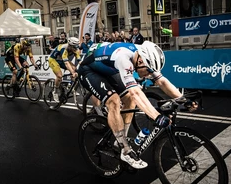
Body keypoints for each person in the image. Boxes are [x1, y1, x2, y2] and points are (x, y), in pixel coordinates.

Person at [78, 41, 198, 169]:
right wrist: (156, 117)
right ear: (140, 62)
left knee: (129, 99)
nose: (148, 75)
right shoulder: (123, 58)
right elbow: (135, 92)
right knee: (113, 101)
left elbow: (161, 82)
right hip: (88, 70)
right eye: (147, 71)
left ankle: (120, 140)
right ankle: (125, 150)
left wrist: (183, 100)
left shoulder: (144, 56)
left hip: (109, 69)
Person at [48, 37, 81, 102]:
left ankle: (71, 88)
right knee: (59, 76)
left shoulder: (75, 49)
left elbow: (80, 61)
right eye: (74, 47)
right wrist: (72, 72)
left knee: (74, 68)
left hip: (62, 60)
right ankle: (55, 92)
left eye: (77, 47)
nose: (76, 49)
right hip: (53, 60)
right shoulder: (64, 48)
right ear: (70, 45)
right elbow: (66, 63)